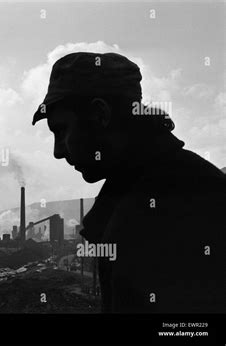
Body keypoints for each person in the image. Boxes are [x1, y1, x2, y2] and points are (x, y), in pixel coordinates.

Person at [32, 52, 225, 313]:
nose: (58, 151)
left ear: (100, 115)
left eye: (62, 130)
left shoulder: (166, 209)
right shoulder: (157, 184)